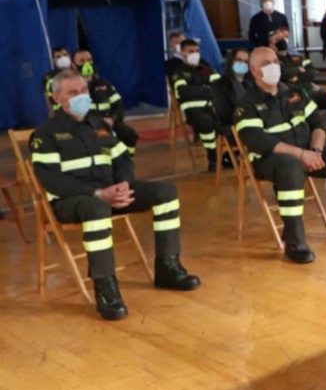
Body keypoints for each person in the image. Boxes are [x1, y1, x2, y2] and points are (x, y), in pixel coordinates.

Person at [30, 70, 200, 320]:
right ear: (56, 98)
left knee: (166, 192)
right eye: (73, 92)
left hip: (111, 192)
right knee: (96, 208)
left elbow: (122, 159)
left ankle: (168, 267)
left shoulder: (98, 125)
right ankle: (106, 288)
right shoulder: (46, 134)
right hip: (70, 201)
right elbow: (53, 180)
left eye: (83, 90)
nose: (81, 95)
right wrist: (98, 193)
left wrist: (123, 184)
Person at [235, 47, 326, 263]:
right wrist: (301, 154)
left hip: (310, 151)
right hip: (270, 160)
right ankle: (294, 242)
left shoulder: (295, 93)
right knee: (291, 166)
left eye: (275, 61)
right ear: (254, 70)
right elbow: (258, 140)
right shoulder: (246, 104)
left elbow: (318, 124)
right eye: (266, 64)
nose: (274, 66)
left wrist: (315, 151)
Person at [73, 49, 140, 157]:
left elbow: (118, 105)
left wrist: (113, 118)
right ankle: (108, 161)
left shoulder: (105, 84)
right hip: (87, 127)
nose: (87, 64)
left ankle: (126, 161)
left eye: (89, 60)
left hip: (109, 123)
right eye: (82, 61)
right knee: (104, 142)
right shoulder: (72, 88)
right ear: (73, 65)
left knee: (129, 135)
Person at [171, 39, 224, 172]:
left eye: (197, 51)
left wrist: (198, 90)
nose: (195, 54)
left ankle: (228, 155)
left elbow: (219, 86)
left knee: (226, 123)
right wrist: (206, 89)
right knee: (206, 124)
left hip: (212, 106)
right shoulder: (179, 72)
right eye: (191, 51)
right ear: (183, 53)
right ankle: (212, 157)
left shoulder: (205, 69)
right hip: (192, 109)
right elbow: (183, 92)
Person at [212, 48, 253, 137]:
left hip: (254, 123)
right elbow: (224, 114)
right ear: (231, 62)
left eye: (246, 61)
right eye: (239, 60)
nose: (243, 64)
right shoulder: (219, 85)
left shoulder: (252, 83)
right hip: (232, 127)